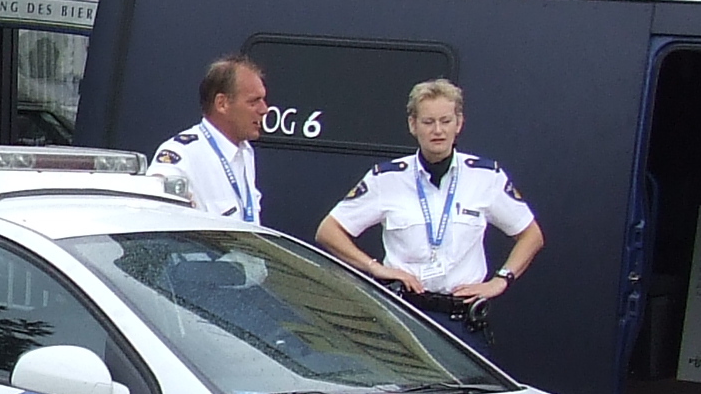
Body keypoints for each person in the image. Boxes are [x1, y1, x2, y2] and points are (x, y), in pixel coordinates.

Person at [315, 79, 545, 333]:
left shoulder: (486, 177)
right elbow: (328, 231)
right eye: (428, 122)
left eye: (446, 121)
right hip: (403, 315)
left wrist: (501, 280)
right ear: (413, 125)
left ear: (459, 123)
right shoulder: (386, 179)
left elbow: (531, 235)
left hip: (461, 318)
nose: (438, 130)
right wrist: (375, 268)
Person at [152, 55, 269, 223]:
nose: (264, 109)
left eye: (263, 100)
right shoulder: (181, 154)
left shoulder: (245, 152)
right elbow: (158, 218)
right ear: (222, 104)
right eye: (253, 102)